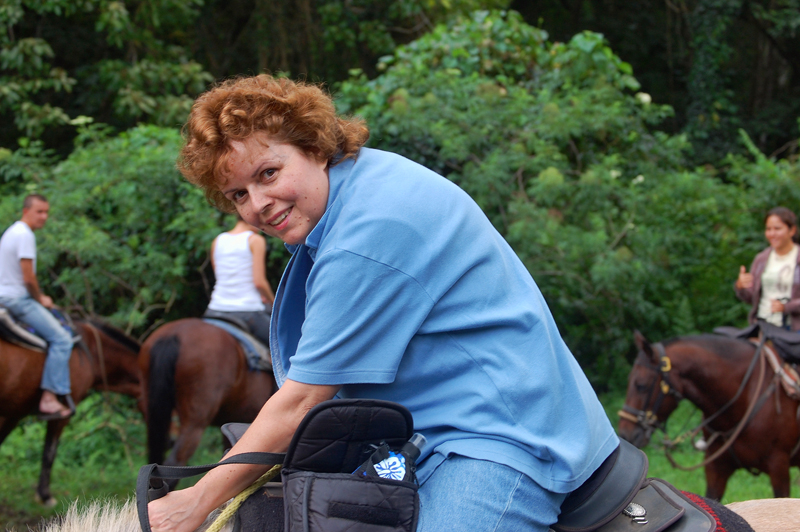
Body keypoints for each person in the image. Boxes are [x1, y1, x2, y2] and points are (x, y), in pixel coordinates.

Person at [148, 75, 618, 532]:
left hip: (499, 438)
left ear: (314, 146)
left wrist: (197, 500)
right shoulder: (356, 189)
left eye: (268, 173)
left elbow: (301, 402)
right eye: (238, 195)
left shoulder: (367, 232)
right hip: (427, 434)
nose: (258, 204)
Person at [0, 194, 74, 420]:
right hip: (17, 300)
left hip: (3, 296)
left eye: (46, 212)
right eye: (39, 211)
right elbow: (28, 277)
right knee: (62, 339)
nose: (44, 217)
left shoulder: (11, 231)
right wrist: (40, 298)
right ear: (26, 211)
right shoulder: (24, 235)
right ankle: (49, 398)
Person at [204, 215, 275, 346]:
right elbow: (259, 282)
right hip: (248, 310)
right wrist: (274, 302)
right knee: (283, 344)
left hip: (215, 309)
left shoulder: (218, 240)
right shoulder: (255, 240)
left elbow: (219, 275)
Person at [736, 206, 800, 331]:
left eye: (777, 229)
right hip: (762, 324)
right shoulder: (761, 259)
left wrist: (786, 307)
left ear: (792, 230)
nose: (772, 234)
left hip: (793, 329)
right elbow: (750, 297)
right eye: (768, 229)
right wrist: (741, 286)